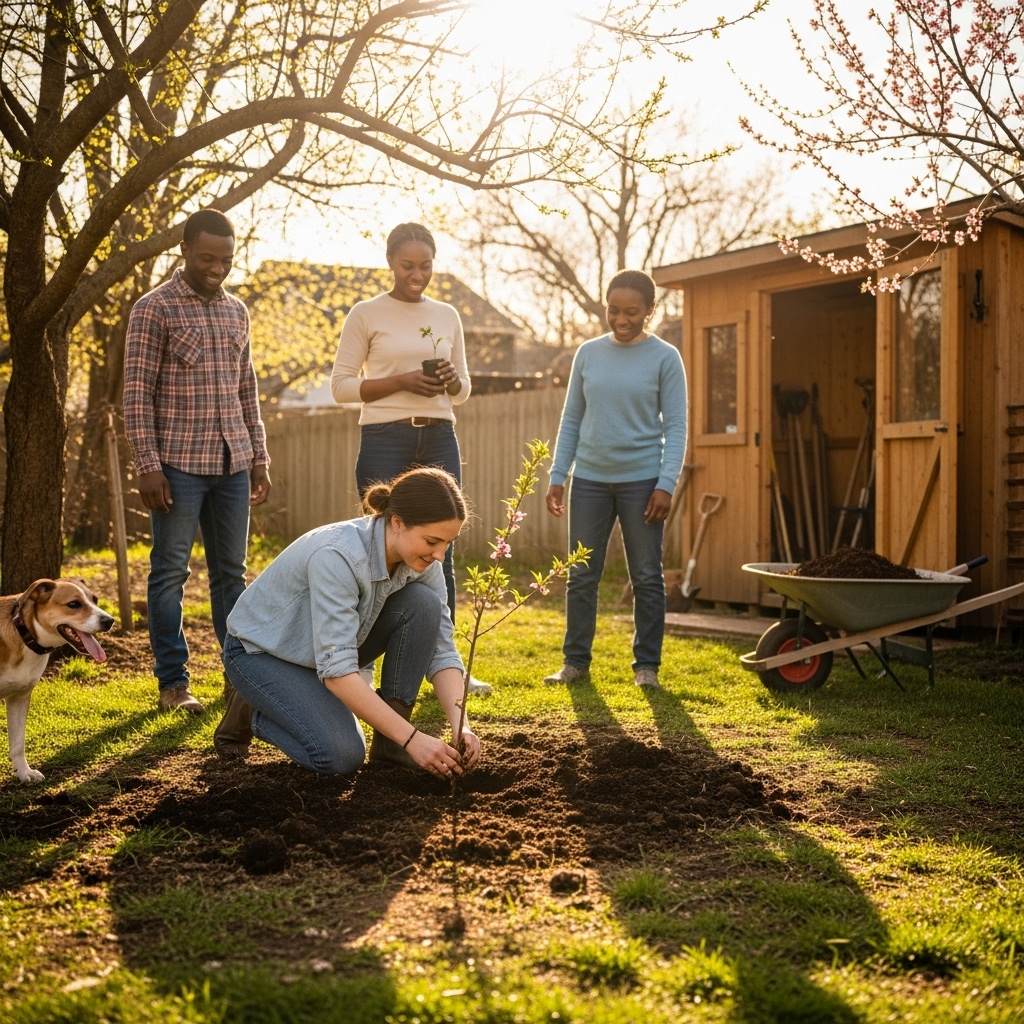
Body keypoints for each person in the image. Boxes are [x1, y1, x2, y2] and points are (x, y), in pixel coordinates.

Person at [221, 467, 481, 776]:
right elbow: (337, 671)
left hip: (324, 651)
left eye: (447, 543)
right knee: (340, 756)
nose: (440, 555)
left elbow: (442, 650)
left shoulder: (423, 562)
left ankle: (390, 746)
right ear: (397, 522)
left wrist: (460, 725)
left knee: (423, 606)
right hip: (262, 652)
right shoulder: (338, 555)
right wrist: (414, 740)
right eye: (432, 541)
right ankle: (255, 707)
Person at [330, 222, 492, 695]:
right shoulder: (366, 313)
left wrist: (450, 380)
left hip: (440, 435)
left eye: (425, 266)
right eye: (407, 265)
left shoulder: (447, 315)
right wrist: (401, 380)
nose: (417, 274)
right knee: (379, 545)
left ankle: (445, 662)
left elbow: (463, 392)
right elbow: (341, 387)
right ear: (390, 262)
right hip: (384, 436)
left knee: (443, 548)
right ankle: (363, 659)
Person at [124, 209, 271, 723]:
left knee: (233, 575)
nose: (217, 268)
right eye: (207, 257)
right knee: (169, 573)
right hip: (177, 466)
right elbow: (137, 393)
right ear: (184, 250)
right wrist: (147, 464)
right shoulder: (153, 309)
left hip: (232, 462)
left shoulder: (237, 312)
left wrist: (258, 457)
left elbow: (246, 389)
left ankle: (239, 680)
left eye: (226, 259)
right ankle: (173, 682)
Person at [544, 270, 687, 689]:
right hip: (588, 479)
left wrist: (666, 484)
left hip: (642, 481)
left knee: (645, 575)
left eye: (632, 312)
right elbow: (572, 418)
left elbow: (677, 426)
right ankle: (575, 663)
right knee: (581, 575)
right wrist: (558, 474)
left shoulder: (665, 358)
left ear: (650, 311)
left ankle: (647, 667)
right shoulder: (588, 353)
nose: (621, 319)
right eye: (613, 310)